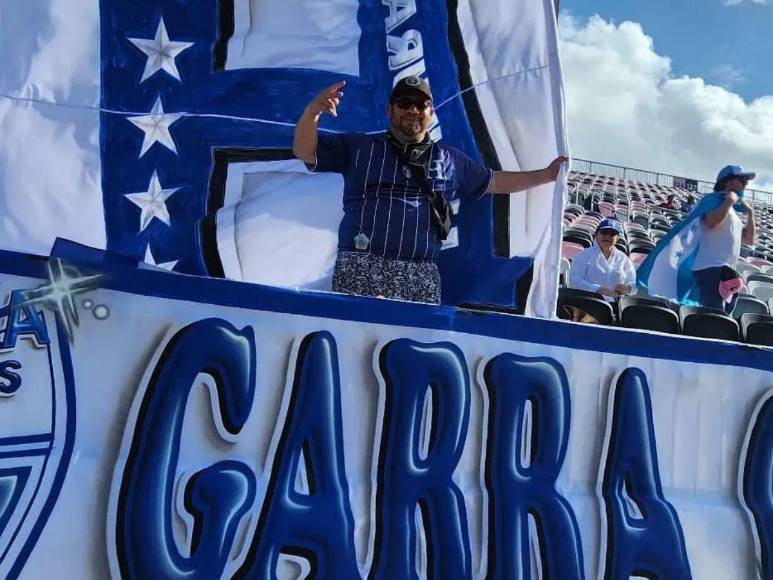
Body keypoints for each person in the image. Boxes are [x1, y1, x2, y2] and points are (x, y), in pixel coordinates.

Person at [293, 77, 567, 303]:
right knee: (353, 348)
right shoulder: (359, 147)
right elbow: (304, 151)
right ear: (390, 110)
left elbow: (495, 182)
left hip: (420, 273)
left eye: (420, 104)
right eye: (404, 103)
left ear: (431, 113)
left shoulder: (450, 159)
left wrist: (546, 175)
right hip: (361, 265)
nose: (412, 110)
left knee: (409, 355)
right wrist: (312, 113)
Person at [691, 165, 756, 313]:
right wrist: (729, 201)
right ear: (728, 181)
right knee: (714, 321)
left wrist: (750, 213)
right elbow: (711, 222)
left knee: (724, 321)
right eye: (742, 179)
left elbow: (748, 240)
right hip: (710, 269)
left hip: (727, 273)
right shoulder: (712, 200)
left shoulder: (731, 209)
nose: (745, 183)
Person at [569, 218, 636, 302]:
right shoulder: (583, 255)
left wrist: (628, 288)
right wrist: (598, 289)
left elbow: (633, 283)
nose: (607, 236)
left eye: (612, 234)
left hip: (616, 306)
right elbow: (574, 280)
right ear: (596, 235)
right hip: (588, 303)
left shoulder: (624, 259)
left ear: (617, 238)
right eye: (604, 232)